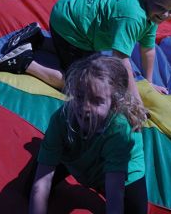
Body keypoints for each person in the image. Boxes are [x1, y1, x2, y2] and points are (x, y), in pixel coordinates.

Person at [0, 0, 171, 102]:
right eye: (161, 8)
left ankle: (37, 39)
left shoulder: (151, 14)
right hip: (71, 23)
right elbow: (121, 58)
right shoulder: (133, 16)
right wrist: (136, 102)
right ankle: (24, 61)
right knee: (84, 86)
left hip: (74, 14)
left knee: (89, 59)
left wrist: (149, 82)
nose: (165, 15)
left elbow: (148, 49)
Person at [29, 54, 148, 214]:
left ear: (114, 103)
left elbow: (115, 195)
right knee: (31, 191)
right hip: (77, 159)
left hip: (119, 169)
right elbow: (41, 183)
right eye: (79, 96)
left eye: (96, 100)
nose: (85, 107)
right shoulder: (62, 119)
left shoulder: (119, 131)